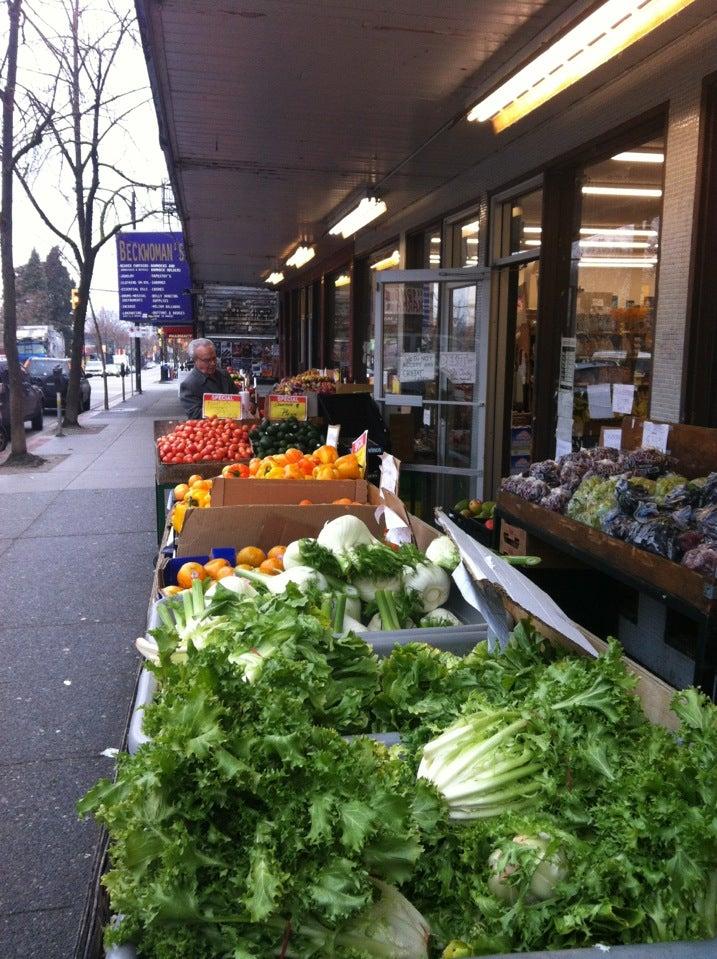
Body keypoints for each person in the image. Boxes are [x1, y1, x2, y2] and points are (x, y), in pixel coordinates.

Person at [179, 338, 237, 419]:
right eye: (207, 360)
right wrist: (227, 410)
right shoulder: (189, 385)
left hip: (232, 426)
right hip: (209, 429)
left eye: (214, 358)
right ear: (195, 360)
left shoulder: (224, 374)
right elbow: (196, 415)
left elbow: (237, 396)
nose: (213, 363)